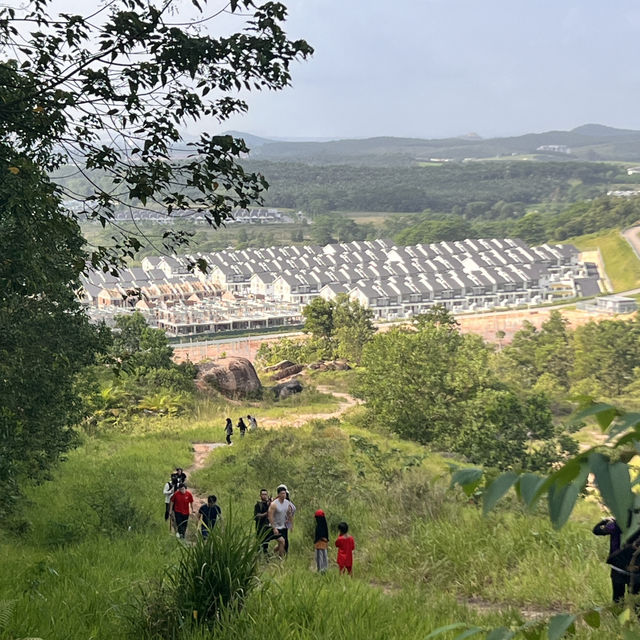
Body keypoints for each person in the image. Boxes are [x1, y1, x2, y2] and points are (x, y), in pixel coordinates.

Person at [268, 485, 293, 557]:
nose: (284, 495)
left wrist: (290, 524)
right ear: (278, 494)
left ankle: (272, 554)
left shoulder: (287, 503)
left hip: (283, 526)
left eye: (285, 493)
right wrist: (274, 528)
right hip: (274, 527)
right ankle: (280, 559)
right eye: (282, 493)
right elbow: (270, 516)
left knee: (282, 544)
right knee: (282, 541)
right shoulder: (274, 504)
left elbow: (289, 513)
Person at [254, 488, 272, 554]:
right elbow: (257, 516)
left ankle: (266, 556)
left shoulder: (269, 504)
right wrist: (266, 513)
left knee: (266, 544)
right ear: (260, 495)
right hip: (260, 527)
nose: (264, 496)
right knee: (259, 543)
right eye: (263, 494)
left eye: (265, 494)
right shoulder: (258, 505)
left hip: (267, 526)